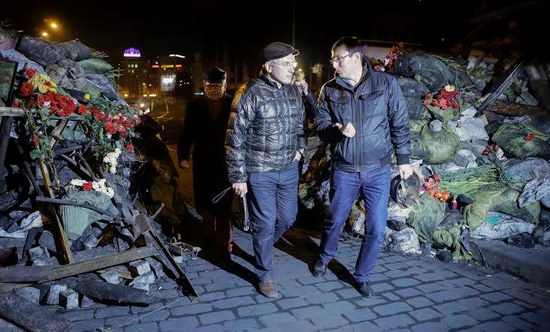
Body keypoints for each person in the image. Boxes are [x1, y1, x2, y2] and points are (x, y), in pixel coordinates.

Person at [312, 36, 413, 297]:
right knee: (335, 220)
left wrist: (403, 160)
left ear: (356, 57)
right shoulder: (329, 89)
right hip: (344, 169)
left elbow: (399, 122)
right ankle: (324, 256)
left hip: (377, 170)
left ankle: (362, 275)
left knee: (377, 228)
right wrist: (337, 131)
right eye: (332, 59)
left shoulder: (386, 84)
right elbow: (321, 127)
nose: (334, 63)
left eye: (338, 58)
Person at [225, 42, 308, 298]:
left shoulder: (295, 91)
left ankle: (262, 246)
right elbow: (234, 136)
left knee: (287, 218)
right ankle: (264, 274)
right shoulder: (250, 92)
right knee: (265, 222)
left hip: (288, 168)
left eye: (292, 63)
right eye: (285, 64)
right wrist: (238, 177)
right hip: (260, 171)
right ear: (268, 66)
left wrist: (300, 150)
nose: (291, 68)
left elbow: (301, 127)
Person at [178, 66, 234, 261]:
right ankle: (208, 235)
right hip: (203, 162)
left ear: (224, 85)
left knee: (224, 205)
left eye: (217, 86)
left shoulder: (232, 104)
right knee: (204, 202)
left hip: (226, 163)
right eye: (209, 86)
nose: (213, 90)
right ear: (203, 85)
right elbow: (187, 133)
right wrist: (183, 156)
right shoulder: (194, 105)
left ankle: (225, 245)